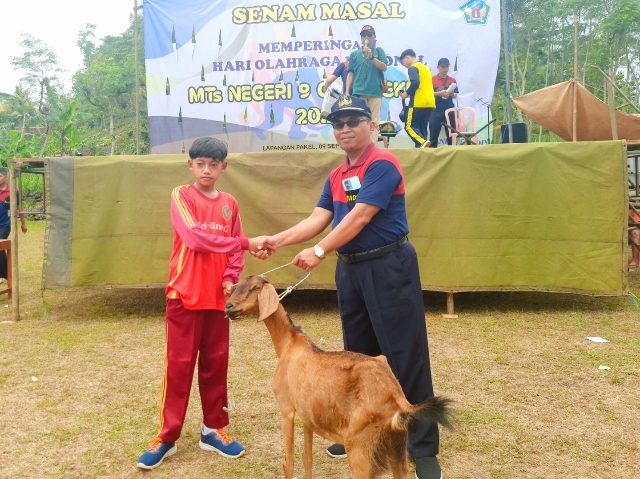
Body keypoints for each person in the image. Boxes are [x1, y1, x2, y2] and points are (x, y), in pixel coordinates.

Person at [257, 95, 444, 479]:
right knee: (357, 360)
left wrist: (321, 249)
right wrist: (277, 239)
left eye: (353, 121)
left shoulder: (383, 164)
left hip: (389, 266)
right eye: (338, 123)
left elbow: (360, 216)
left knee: (404, 355)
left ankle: (424, 449)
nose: (345, 128)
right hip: (352, 271)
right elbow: (318, 217)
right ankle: (356, 430)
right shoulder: (338, 175)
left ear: (370, 125)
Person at [136, 137, 272, 470]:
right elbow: (195, 238)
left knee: (216, 365)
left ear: (224, 167)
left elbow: (234, 254)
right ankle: (167, 437)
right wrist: (246, 241)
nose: (207, 170)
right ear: (190, 165)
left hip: (217, 301)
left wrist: (229, 277)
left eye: (214, 164)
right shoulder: (181, 196)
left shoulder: (229, 202)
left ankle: (213, 429)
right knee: (179, 367)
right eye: (200, 164)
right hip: (184, 296)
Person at [346, 25, 388, 143]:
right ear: (360, 38)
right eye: (363, 35)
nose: (366, 37)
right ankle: (361, 147)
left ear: (374, 37)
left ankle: (372, 149)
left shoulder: (379, 51)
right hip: (359, 92)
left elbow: (384, 68)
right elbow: (350, 74)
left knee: (374, 121)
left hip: (375, 92)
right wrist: (347, 91)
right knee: (359, 121)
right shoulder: (354, 54)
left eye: (369, 35)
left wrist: (372, 57)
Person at [400, 49, 435, 148]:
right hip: (430, 102)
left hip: (418, 102)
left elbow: (415, 82)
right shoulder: (425, 68)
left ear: (407, 57)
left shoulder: (413, 67)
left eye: (403, 61)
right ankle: (422, 150)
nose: (404, 64)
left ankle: (422, 142)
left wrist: (406, 93)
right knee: (421, 128)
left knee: (409, 126)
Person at [0, 167, 27, 282]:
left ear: (6, 177)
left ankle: (3, 275)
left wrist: (23, 223)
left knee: (0, 245)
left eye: (0, 176)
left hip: (6, 224)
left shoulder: (13, 191)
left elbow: (18, 208)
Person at [429, 58, 459, 148]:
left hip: (449, 110)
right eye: (443, 67)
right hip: (435, 110)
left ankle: (453, 154)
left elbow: (455, 95)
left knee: (452, 136)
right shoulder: (432, 79)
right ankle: (433, 156)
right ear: (438, 67)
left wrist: (450, 93)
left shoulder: (452, 80)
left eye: (447, 66)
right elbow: (428, 94)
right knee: (433, 136)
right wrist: (439, 93)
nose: (445, 69)